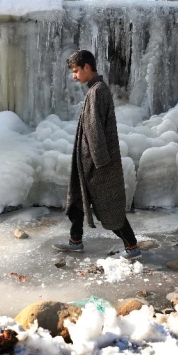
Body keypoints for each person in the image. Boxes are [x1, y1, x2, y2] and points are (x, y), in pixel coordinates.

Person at [52, 50, 141, 260]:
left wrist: (98, 164)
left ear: (87, 67)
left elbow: (94, 130)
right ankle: (75, 240)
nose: (74, 76)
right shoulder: (95, 89)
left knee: (108, 205)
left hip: (96, 163)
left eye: (76, 71)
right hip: (90, 159)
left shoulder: (97, 91)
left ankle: (132, 246)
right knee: (76, 201)